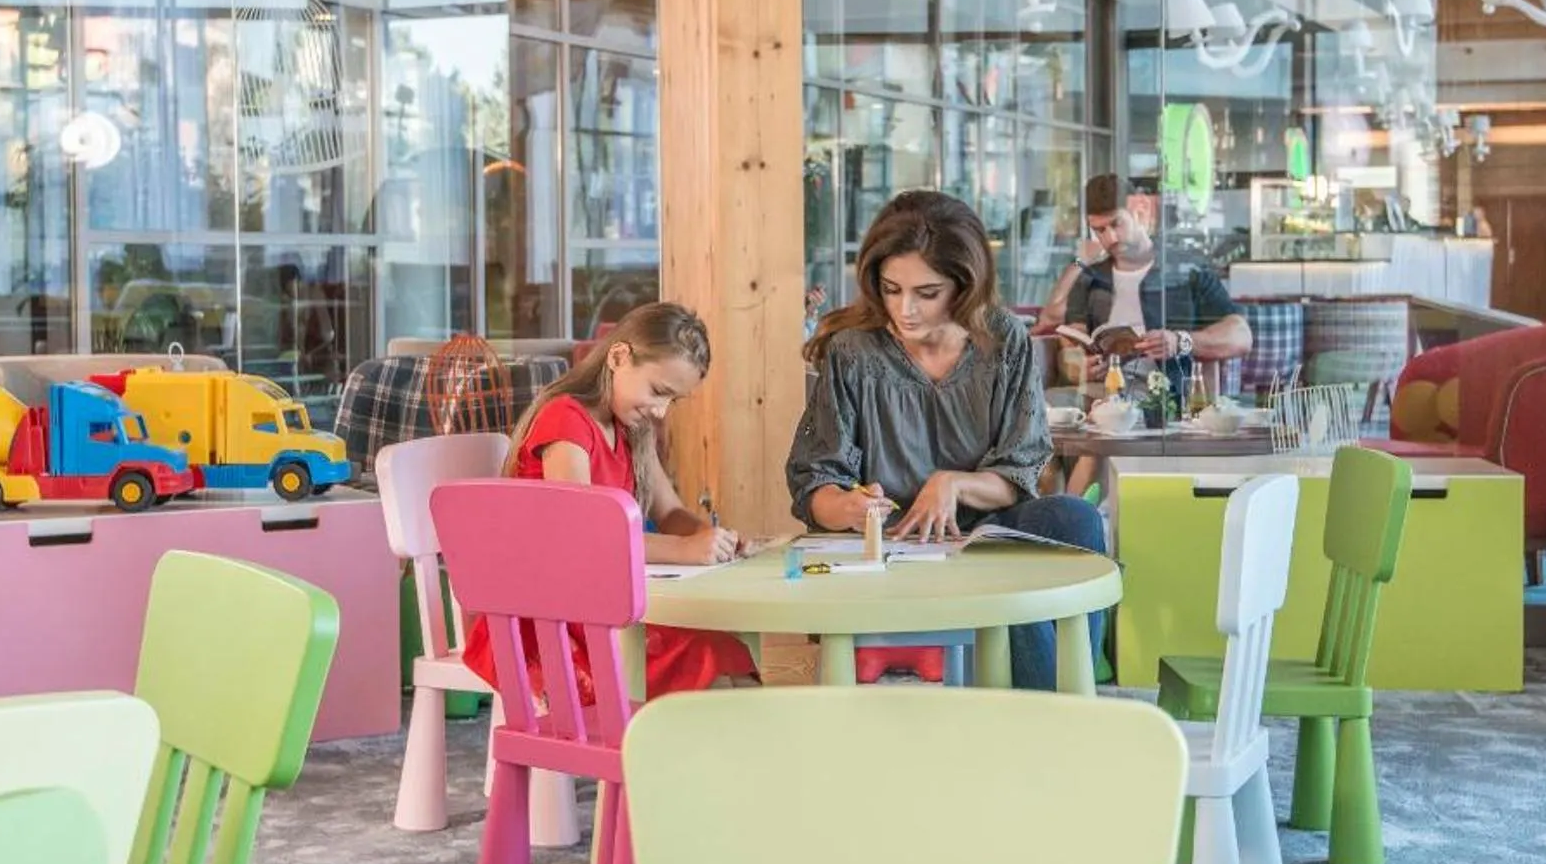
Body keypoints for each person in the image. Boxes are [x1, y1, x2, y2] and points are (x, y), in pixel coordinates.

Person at [788, 190, 1107, 689]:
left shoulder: (1005, 340)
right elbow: (815, 486)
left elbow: (1019, 474)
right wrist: (850, 507)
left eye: (927, 293)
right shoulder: (852, 352)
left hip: (986, 535)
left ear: (965, 286)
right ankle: (1059, 716)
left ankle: (1073, 692)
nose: (905, 309)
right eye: (891, 289)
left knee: (1075, 518)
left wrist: (953, 484)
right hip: (892, 545)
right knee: (1011, 590)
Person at [461, 301, 759, 699]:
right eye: (659, 392)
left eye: (673, 400)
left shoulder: (632, 430)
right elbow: (585, 538)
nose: (661, 411)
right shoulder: (565, 421)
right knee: (710, 671)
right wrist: (685, 549)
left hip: (601, 605)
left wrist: (715, 539)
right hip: (551, 622)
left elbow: (670, 512)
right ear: (618, 357)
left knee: (730, 660)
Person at [1042, 174, 1253, 382]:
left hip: (1169, 395)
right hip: (1104, 397)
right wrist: (1078, 366)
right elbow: (1070, 342)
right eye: (1100, 230)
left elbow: (1241, 336)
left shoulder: (1185, 270)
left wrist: (1180, 342)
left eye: (1116, 224)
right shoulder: (1091, 278)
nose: (1110, 238)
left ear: (1139, 212)